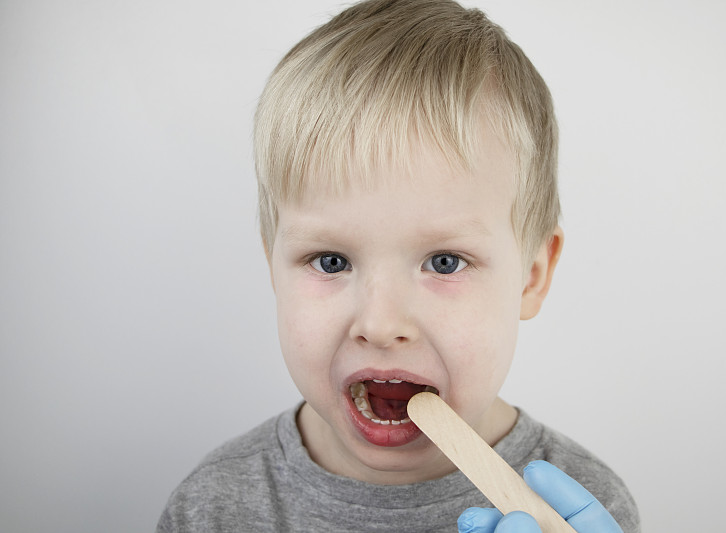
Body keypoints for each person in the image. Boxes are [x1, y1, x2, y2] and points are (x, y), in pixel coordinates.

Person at [157, 1, 640, 531]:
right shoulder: (214, 507)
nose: (381, 325)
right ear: (273, 265)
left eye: (444, 261)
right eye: (331, 260)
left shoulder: (579, 510)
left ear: (531, 276)